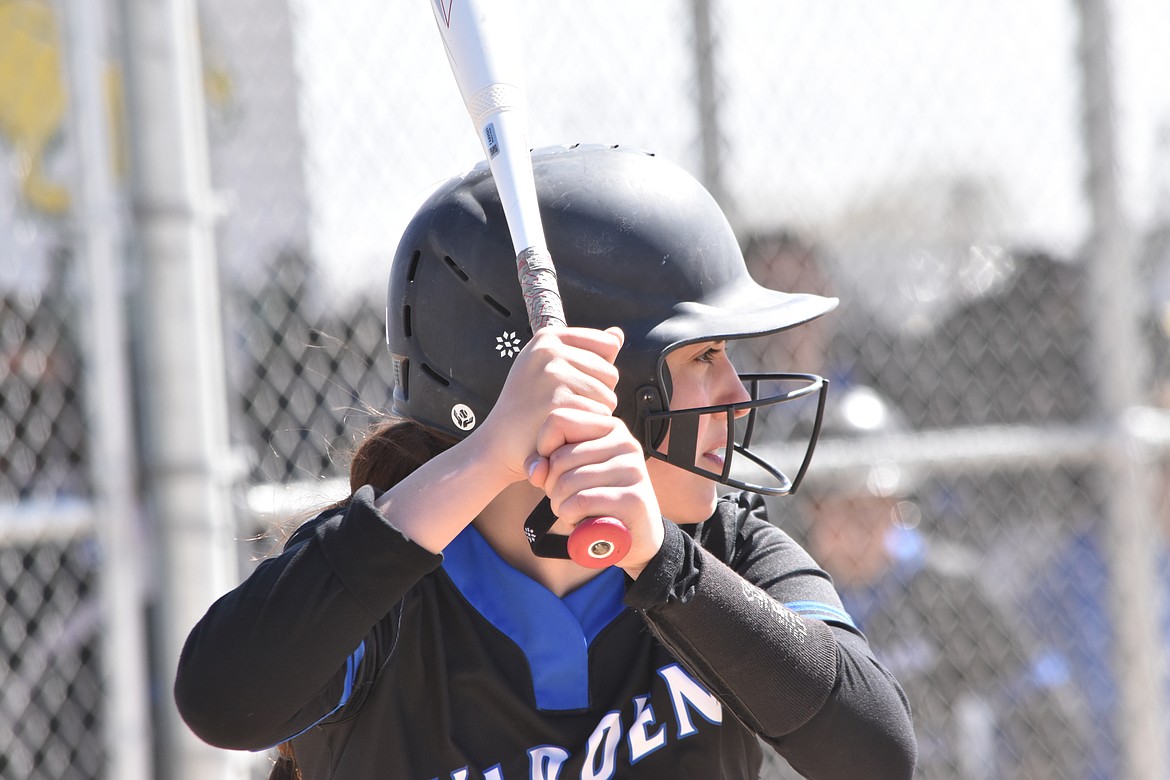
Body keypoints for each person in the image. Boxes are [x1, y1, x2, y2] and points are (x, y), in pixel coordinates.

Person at [173, 144, 916, 779]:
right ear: (596, 390)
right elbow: (222, 698)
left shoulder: (721, 552)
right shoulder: (380, 577)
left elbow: (875, 752)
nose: (735, 396)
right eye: (704, 356)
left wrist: (665, 565)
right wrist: (493, 453)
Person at [787, 384, 1090, 780]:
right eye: (842, 508)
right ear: (812, 511)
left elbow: (1048, 708)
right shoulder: (787, 595)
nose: (859, 527)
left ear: (898, 505)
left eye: (874, 506)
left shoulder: (943, 585)